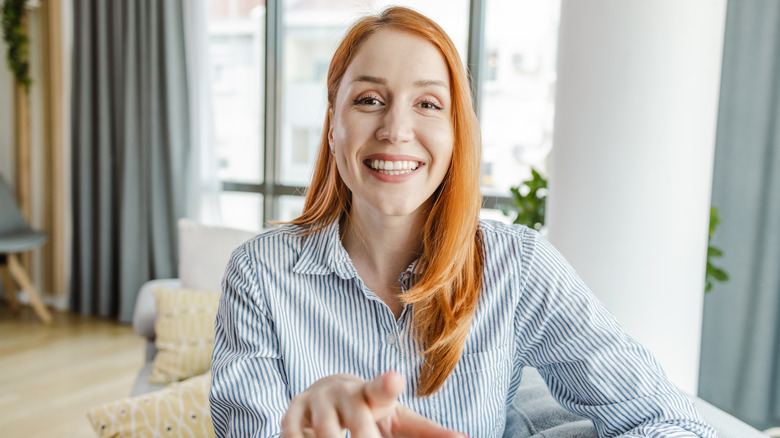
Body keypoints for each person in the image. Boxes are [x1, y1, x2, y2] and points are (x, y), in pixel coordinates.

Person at [209, 6, 716, 438]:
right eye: (368, 100)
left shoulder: (518, 267)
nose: (396, 129)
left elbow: (668, 419)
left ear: (456, 132)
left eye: (427, 104)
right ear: (332, 121)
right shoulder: (259, 273)